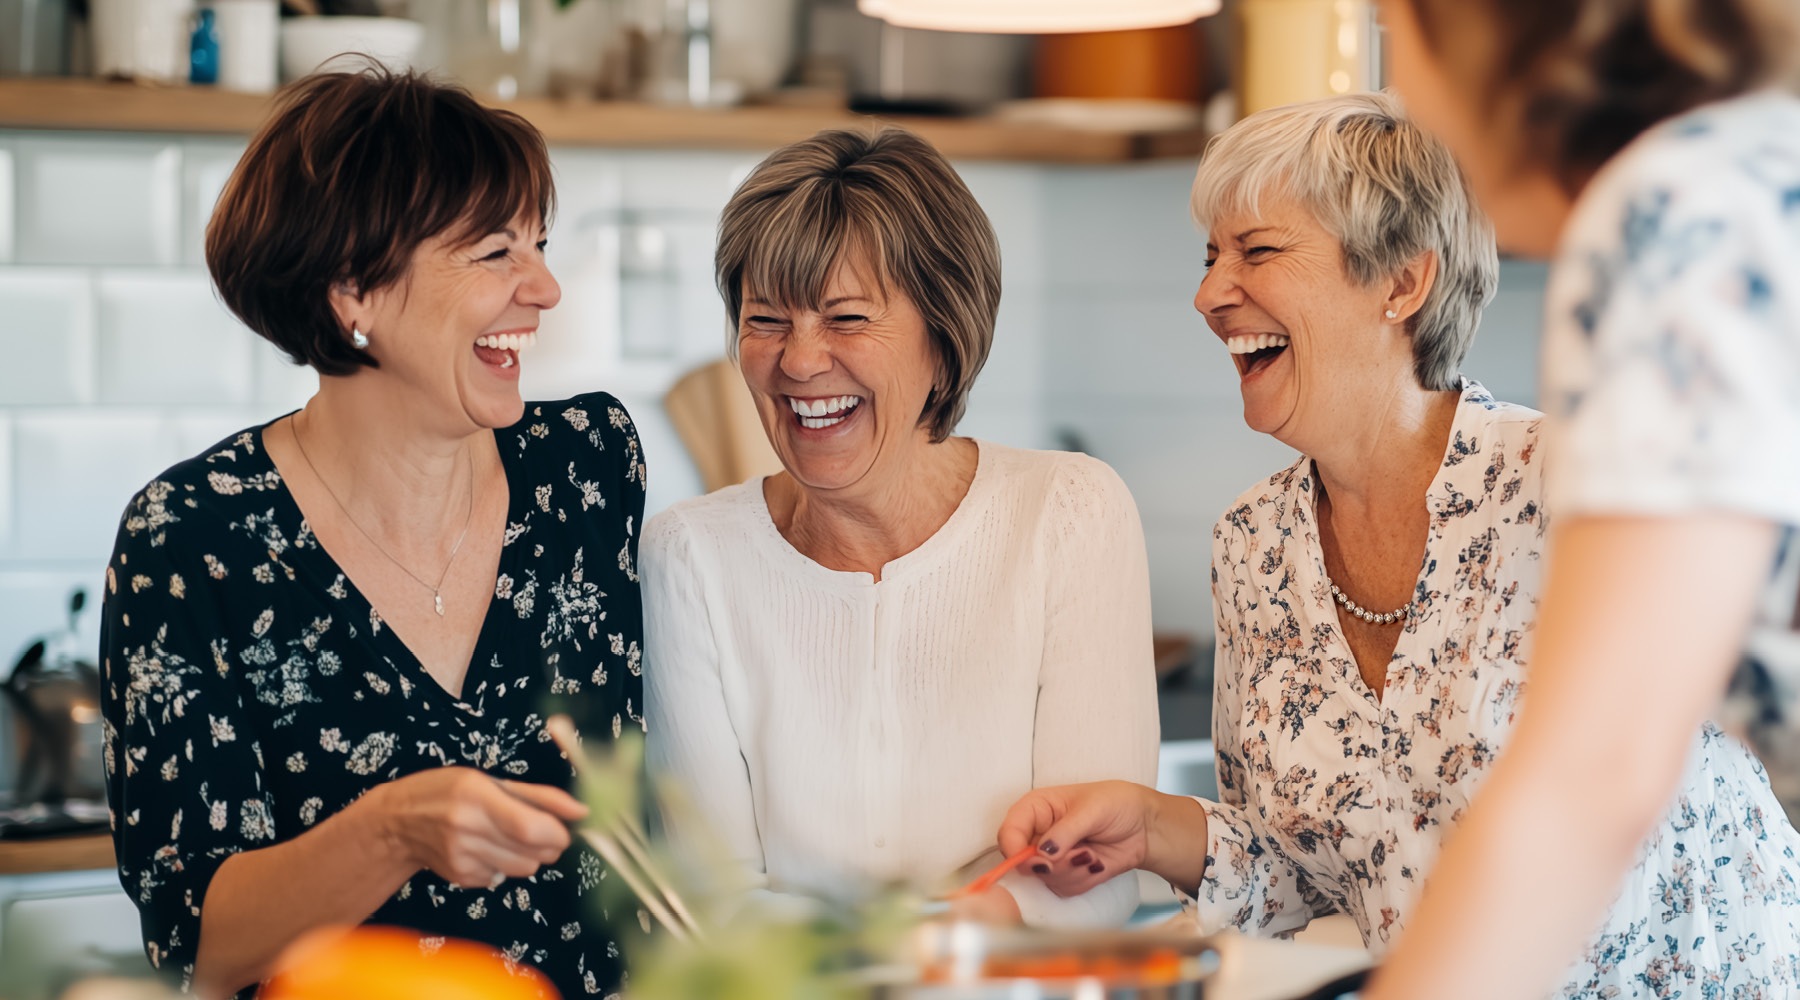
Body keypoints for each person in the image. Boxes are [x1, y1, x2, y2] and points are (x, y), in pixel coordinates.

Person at [994, 92, 1800, 994]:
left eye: (1257, 251)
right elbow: (1319, 870)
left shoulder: (1571, 485)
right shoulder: (1254, 547)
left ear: (1402, 284)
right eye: (1212, 256)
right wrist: (1149, 829)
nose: (1210, 292)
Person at [100, 69, 646, 999]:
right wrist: (393, 829)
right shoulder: (193, 539)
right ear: (351, 288)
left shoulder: (587, 466)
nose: (545, 288)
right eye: (493, 253)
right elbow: (199, 945)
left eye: (540, 244)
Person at [1355, 2, 1800, 996]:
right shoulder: (1750, 172)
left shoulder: (1678, 208)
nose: (1404, 102)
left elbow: (1596, 773)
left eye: (1395, 29)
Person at [641, 126, 1160, 927]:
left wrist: (950, 946)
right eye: (767, 320)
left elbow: (1098, 870)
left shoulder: (1069, 510)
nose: (801, 361)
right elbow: (710, 900)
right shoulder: (691, 554)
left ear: (944, 342)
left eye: (847, 318)